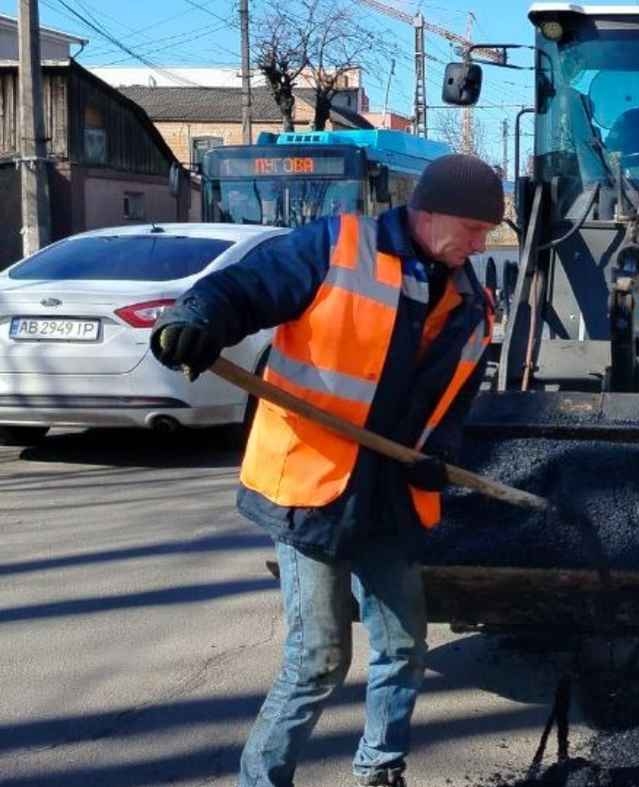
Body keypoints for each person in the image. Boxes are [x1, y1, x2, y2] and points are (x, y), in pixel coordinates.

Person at [151, 154, 503, 787]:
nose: (482, 244)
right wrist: (194, 320)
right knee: (317, 659)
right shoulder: (340, 245)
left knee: (402, 647)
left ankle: (379, 768)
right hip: (315, 485)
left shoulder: (472, 304)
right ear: (433, 212)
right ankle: (264, 779)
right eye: (476, 229)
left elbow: (456, 403)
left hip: (391, 497)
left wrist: (437, 459)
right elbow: (244, 287)